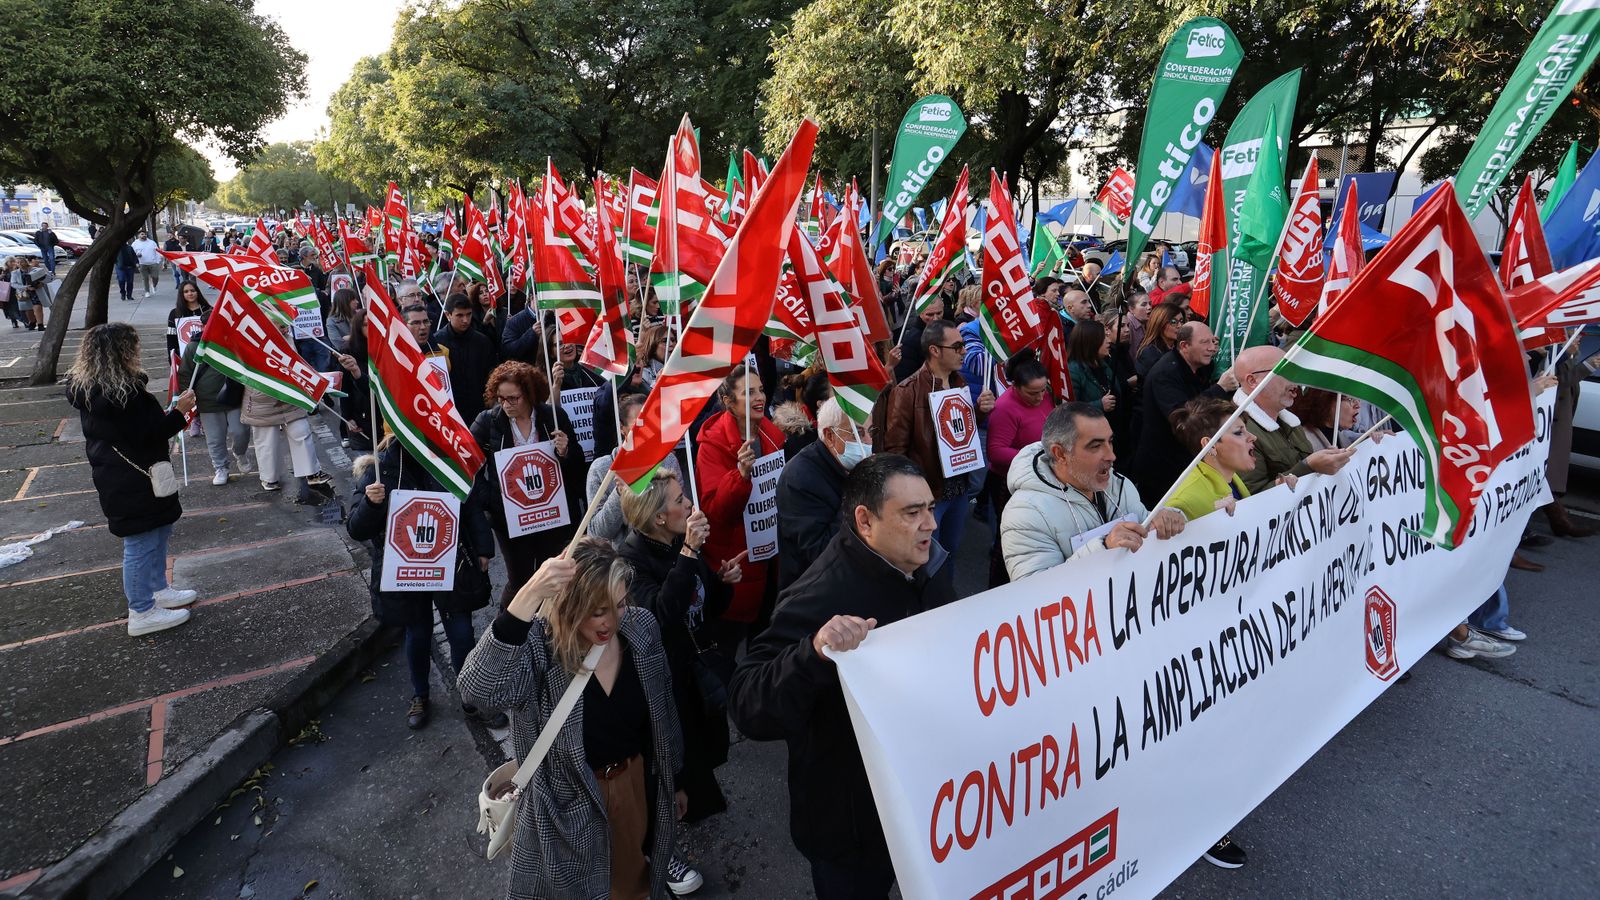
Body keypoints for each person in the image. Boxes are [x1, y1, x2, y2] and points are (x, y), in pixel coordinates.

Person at [730, 454, 954, 899]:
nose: (930, 524)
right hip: (850, 827)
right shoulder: (821, 594)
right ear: (865, 521)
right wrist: (812, 653)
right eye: (912, 512)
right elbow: (747, 703)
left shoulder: (929, 565)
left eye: (930, 508)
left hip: (921, 803)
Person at [458, 540, 686, 900]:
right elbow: (477, 690)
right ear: (571, 605)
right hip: (565, 807)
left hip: (634, 784)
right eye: (598, 611)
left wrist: (676, 780)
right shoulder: (540, 647)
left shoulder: (640, 627)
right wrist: (529, 594)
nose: (612, 621)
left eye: (620, 604)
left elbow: (664, 710)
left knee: (633, 885)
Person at [347, 437, 504, 730]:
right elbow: (356, 528)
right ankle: (420, 695)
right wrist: (371, 503)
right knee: (417, 635)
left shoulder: (447, 460)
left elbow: (470, 506)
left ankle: (472, 697)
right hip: (405, 572)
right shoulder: (379, 471)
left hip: (450, 565)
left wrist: (483, 548)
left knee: (462, 634)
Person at [618, 472, 741, 834]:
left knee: (710, 743)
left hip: (698, 667)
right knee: (684, 758)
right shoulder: (631, 561)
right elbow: (660, 618)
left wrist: (722, 582)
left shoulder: (677, 542)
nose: (689, 504)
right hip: (670, 682)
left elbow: (707, 604)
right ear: (659, 517)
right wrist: (688, 553)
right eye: (679, 500)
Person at [66, 323, 200, 636]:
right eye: (133, 345)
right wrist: (179, 412)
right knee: (140, 542)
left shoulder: (101, 388)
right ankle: (141, 611)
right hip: (131, 478)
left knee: (158, 531)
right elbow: (149, 433)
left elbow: (138, 430)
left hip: (129, 474)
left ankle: (157, 589)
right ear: (120, 351)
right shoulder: (119, 395)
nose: (138, 350)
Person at [1001, 402, 1186, 581]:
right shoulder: (1025, 512)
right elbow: (1033, 591)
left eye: (1110, 442)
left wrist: (1163, 520)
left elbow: (1144, 525)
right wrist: (1104, 548)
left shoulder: (1118, 484)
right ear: (1060, 453)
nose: (1111, 456)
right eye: (1096, 446)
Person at [470, 361, 587, 605]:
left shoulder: (554, 417)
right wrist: (493, 500)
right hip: (510, 521)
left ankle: (550, 623)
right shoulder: (487, 421)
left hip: (551, 516)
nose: (506, 405)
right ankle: (510, 626)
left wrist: (565, 452)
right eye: (501, 398)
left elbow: (577, 465)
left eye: (513, 398)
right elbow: (468, 467)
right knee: (520, 581)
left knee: (553, 576)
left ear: (530, 394)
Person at [882, 320, 995, 563]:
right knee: (926, 561)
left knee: (949, 554)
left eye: (963, 345)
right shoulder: (907, 391)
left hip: (958, 488)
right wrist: (913, 495)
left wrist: (979, 411)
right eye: (957, 346)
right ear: (934, 350)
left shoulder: (959, 382)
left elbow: (960, 432)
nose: (964, 351)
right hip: (930, 493)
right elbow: (895, 451)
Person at [696, 365, 785, 667]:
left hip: (771, 559)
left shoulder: (772, 436)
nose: (759, 397)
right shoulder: (713, 446)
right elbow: (716, 512)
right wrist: (740, 476)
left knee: (766, 647)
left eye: (760, 390)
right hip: (737, 564)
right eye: (748, 392)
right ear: (728, 402)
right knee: (732, 653)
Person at [1228, 345, 1353, 496]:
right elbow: (1252, 497)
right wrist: (1308, 466)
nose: (1295, 379)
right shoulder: (1235, 429)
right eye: (1285, 371)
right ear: (1253, 380)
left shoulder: (1290, 421)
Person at [775, 398, 866, 589]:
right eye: (858, 433)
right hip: (816, 591)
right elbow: (819, 552)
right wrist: (859, 491)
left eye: (871, 431)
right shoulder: (799, 478)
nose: (867, 441)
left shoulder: (854, 466)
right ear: (830, 435)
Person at [984, 352, 1054, 586]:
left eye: (1043, 390)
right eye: (1033, 393)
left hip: (1040, 478)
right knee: (1009, 541)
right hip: (1008, 484)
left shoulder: (1046, 397)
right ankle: (997, 589)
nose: (1040, 397)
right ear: (1016, 386)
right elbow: (996, 452)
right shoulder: (1005, 408)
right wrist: (1038, 456)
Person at [1133, 321, 1220, 506]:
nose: (1212, 348)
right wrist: (1220, 389)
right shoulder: (1165, 373)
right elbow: (1183, 416)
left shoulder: (1200, 366)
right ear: (1184, 346)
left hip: (1187, 458)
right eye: (1205, 342)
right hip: (1163, 467)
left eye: (1213, 341)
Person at [241, 322, 332, 493]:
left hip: (290, 396)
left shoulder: (288, 338)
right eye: (281, 326)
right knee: (267, 441)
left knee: (301, 433)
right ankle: (269, 478)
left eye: (286, 325)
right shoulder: (252, 340)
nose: (286, 329)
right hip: (263, 398)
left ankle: (311, 473)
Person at [587, 392, 681, 544]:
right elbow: (597, 533)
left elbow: (680, 514)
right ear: (622, 428)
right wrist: (619, 493)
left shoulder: (668, 460)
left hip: (664, 553)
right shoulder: (601, 469)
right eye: (638, 425)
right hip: (619, 557)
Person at [178, 322, 253, 486]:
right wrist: (187, 398)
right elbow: (185, 374)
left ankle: (240, 453)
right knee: (215, 438)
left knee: (241, 431)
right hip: (207, 401)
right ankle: (221, 468)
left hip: (234, 397)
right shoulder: (193, 347)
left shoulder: (234, 342)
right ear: (203, 326)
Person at [1166, 398, 1256, 521]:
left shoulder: (1230, 475)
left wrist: (1279, 494)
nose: (1253, 437)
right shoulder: (1183, 503)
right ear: (1211, 445)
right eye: (1238, 432)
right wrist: (1213, 518)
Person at [435, 294, 497, 424]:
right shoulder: (437, 343)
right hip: (450, 410)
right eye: (460, 315)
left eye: (469, 314)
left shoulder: (482, 341)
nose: (465, 320)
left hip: (478, 408)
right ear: (448, 315)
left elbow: (492, 373)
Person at [1289, 388, 1361, 452]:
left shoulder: (1344, 440)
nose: (1358, 405)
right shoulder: (1303, 440)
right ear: (1326, 400)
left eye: (1358, 400)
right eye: (1351, 399)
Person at [892, 296, 944, 382]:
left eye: (939, 313)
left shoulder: (946, 331)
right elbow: (904, 378)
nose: (935, 318)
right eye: (930, 314)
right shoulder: (911, 341)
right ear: (920, 313)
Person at [165, 281, 211, 355]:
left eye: (192, 290)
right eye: (186, 292)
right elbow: (171, 339)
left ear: (197, 292)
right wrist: (172, 358)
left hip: (207, 353)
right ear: (181, 294)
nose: (190, 293)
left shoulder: (209, 310)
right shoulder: (174, 313)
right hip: (184, 355)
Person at [327, 288, 362, 353]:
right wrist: (356, 337)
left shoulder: (360, 316)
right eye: (353, 299)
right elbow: (339, 345)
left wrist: (348, 338)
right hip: (346, 356)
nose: (357, 302)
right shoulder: (332, 321)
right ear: (345, 302)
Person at [133, 229, 163, 298]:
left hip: (153, 262)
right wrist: (136, 258)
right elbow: (132, 254)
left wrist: (158, 261)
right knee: (145, 278)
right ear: (138, 236)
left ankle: (154, 285)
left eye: (145, 234)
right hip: (142, 263)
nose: (144, 235)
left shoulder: (152, 242)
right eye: (142, 234)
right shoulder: (135, 244)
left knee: (155, 277)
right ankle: (147, 291)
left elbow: (157, 251)